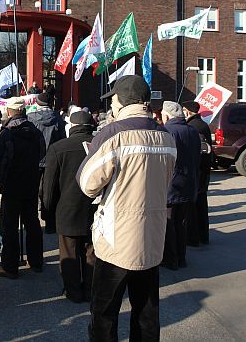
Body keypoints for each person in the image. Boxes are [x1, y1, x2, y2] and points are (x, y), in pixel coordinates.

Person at [77, 75, 176, 341]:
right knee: (146, 314)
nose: (112, 106)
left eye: (114, 100)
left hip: (115, 238)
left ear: (121, 102)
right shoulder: (166, 136)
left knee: (104, 313)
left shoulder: (113, 134)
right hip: (152, 237)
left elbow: (87, 184)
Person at [42, 110, 96, 303]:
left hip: (67, 207)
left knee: (69, 251)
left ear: (71, 127)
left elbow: (49, 185)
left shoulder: (59, 148)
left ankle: (73, 291)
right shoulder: (102, 146)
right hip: (95, 207)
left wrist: (47, 209)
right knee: (92, 250)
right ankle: (90, 289)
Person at [0, 97, 46, 279]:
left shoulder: (6, 133)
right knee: (32, 223)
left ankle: (10, 266)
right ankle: (36, 261)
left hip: (11, 186)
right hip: (30, 183)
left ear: (10, 112)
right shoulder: (35, 132)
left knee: (10, 226)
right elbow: (42, 154)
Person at [160, 101, 201, 270]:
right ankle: (181, 257)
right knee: (181, 222)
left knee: (169, 223)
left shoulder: (166, 131)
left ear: (167, 115)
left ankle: (171, 259)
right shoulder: (192, 130)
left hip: (171, 184)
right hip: (188, 183)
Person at [28, 92, 65, 234]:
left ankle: (32, 223)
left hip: (34, 158)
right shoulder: (57, 118)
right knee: (50, 191)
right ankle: (50, 223)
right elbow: (62, 138)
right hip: (52, 158)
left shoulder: (31, 118)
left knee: (32, 189)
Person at [182, 101, 213, 246]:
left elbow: (201, 151)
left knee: (194, 206)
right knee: (201, 205)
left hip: (198, 171)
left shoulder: (193, 127)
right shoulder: (202, 125)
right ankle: (203, 236)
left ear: (188, 111)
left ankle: (194, 238)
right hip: (203, 171)